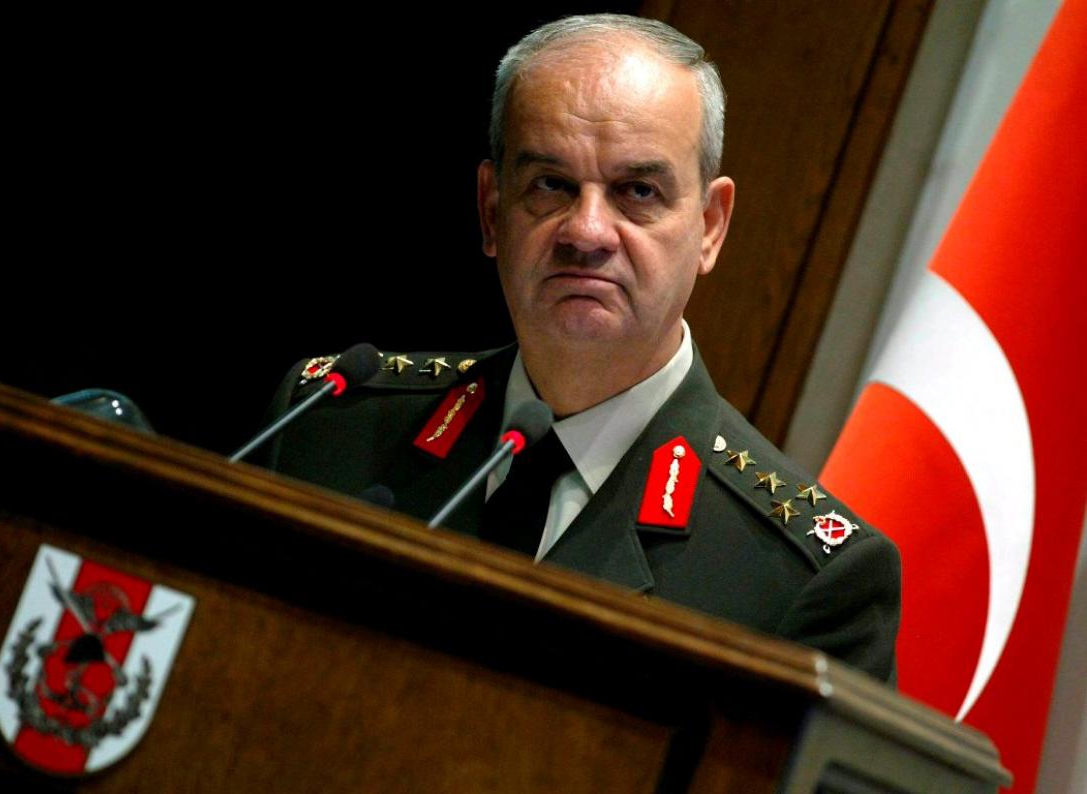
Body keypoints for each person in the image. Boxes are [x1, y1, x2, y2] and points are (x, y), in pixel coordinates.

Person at [263, 14, 901, 683]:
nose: (587, 232)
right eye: (551, 185)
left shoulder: (800, 583)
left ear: (710, 227)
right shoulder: (324, 426)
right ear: (491, 210)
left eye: (638, 192)